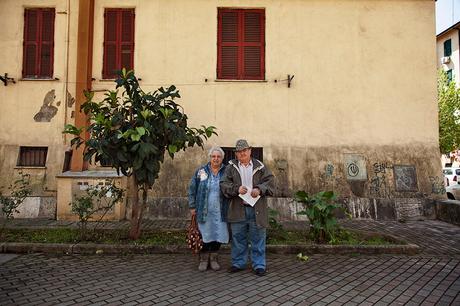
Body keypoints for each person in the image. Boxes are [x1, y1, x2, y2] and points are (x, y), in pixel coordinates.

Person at [220, 139, 274, 276]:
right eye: (239, 151)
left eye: (245, 150)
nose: (242, 153)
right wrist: (237, 189)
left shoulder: (261, 167)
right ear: (236, 154)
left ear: (250, 151)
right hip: (238, 208)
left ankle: (259, 265)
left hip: (256, 209)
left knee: (258, 238)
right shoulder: (230, 167)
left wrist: (260, 189)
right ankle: (238, 263)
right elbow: (223, 184)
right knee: (238, 238)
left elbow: (271, 183)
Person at [188, 146, 229, 271]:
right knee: (205, 234)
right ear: (210, 157)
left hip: (221, 210)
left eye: (218, 156)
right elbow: (192, 189)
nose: (216, 159)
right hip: (204, 210)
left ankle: (214, 258)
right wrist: (192, 206)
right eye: (213, 156)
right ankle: (204, 259)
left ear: (222, 158)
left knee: (219, 234)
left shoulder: (227, 171)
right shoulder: (201, 171)